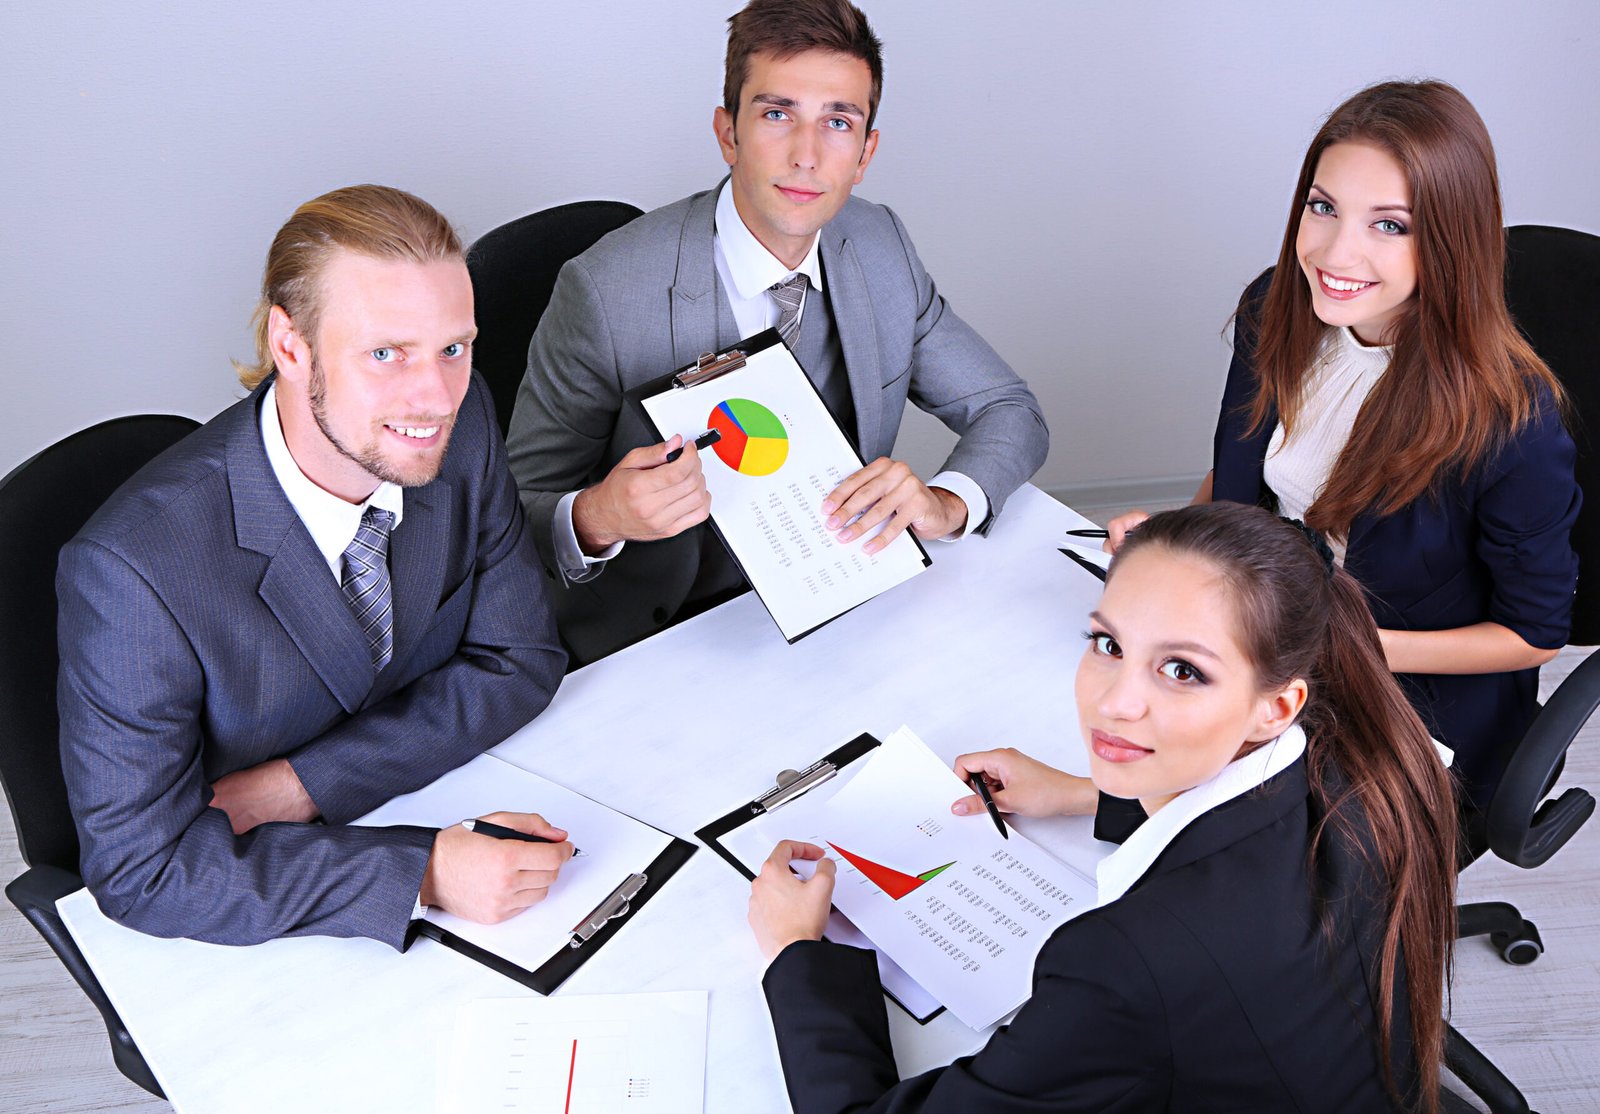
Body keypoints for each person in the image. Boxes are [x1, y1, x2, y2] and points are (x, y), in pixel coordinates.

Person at [748, 503, 1458, 1112]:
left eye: (1182, 670)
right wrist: (1085, 794)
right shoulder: (1369, 761)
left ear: (1276, 707)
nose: (1114, 703)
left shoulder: (1125, 965)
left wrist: (797, 953)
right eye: (1108, 643)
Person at [58, 185, 572, 950]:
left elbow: (521, 660)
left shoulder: (460, 431)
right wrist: (421, 873)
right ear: (291, 347)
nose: (434, 396)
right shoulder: (131, 572)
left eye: (453, 347)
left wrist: (301, 786)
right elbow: (143, 871)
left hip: (436, 802)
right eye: (385, 353)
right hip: (263, 920)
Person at [505, 0, 1049, 664]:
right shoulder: (606, 291)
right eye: (776, 113)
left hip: (841, 604)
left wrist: (946, 503)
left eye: (838, 122)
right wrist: (597, 517)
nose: (807, 155)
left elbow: (1009, 409)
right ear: (728, 132)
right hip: (659, 637)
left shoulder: (881, 246)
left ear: (866, 152)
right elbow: (506, 519)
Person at [1107, 80, 1578, 810]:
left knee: (1229, 842)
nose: (1335, 250)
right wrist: (1175, 539)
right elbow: (1252, 474)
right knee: (1101, 728)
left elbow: (1535, 634)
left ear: (1451, 241)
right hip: (1273, 632)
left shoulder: (1510, 419)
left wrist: (1339, 645)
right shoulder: (1275, 310)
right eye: (1323, 207)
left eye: (1389, 225)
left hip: (1408, 693)